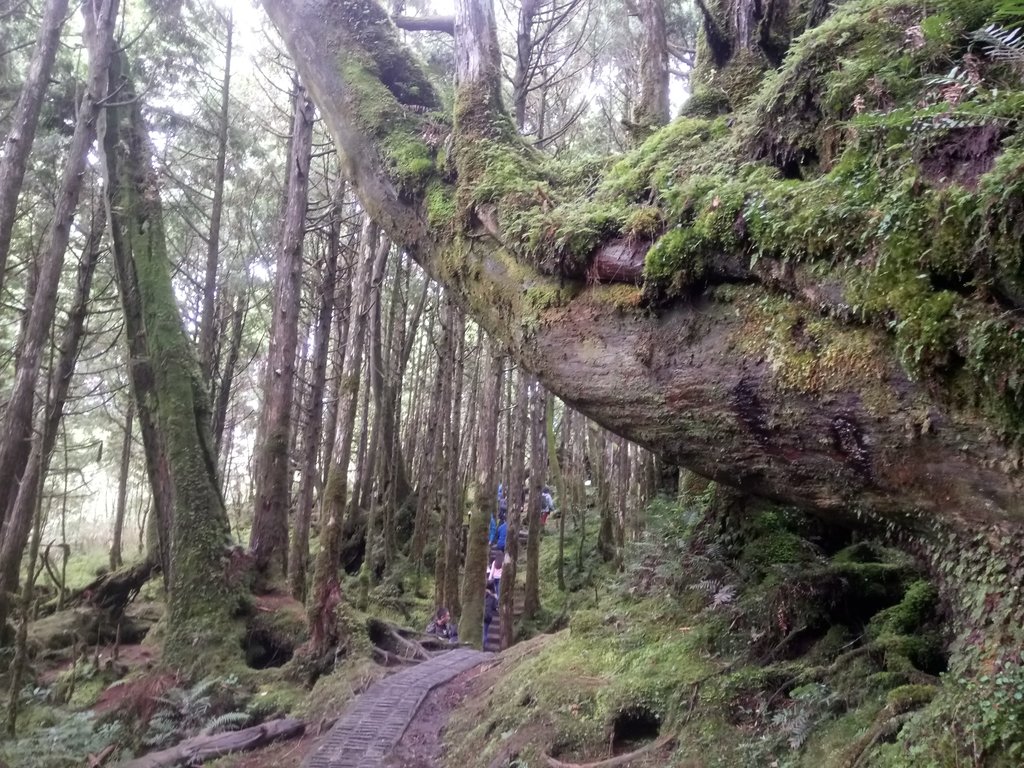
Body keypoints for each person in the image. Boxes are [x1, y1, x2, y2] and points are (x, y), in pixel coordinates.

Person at [483, 582, 498, 647]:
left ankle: (483, 645)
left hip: (481, 614)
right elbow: (494, 607)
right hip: (488, 616)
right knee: (485, 631)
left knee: (483, 631)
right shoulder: (493, 597)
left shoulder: (481, 595)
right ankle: (485, 644)